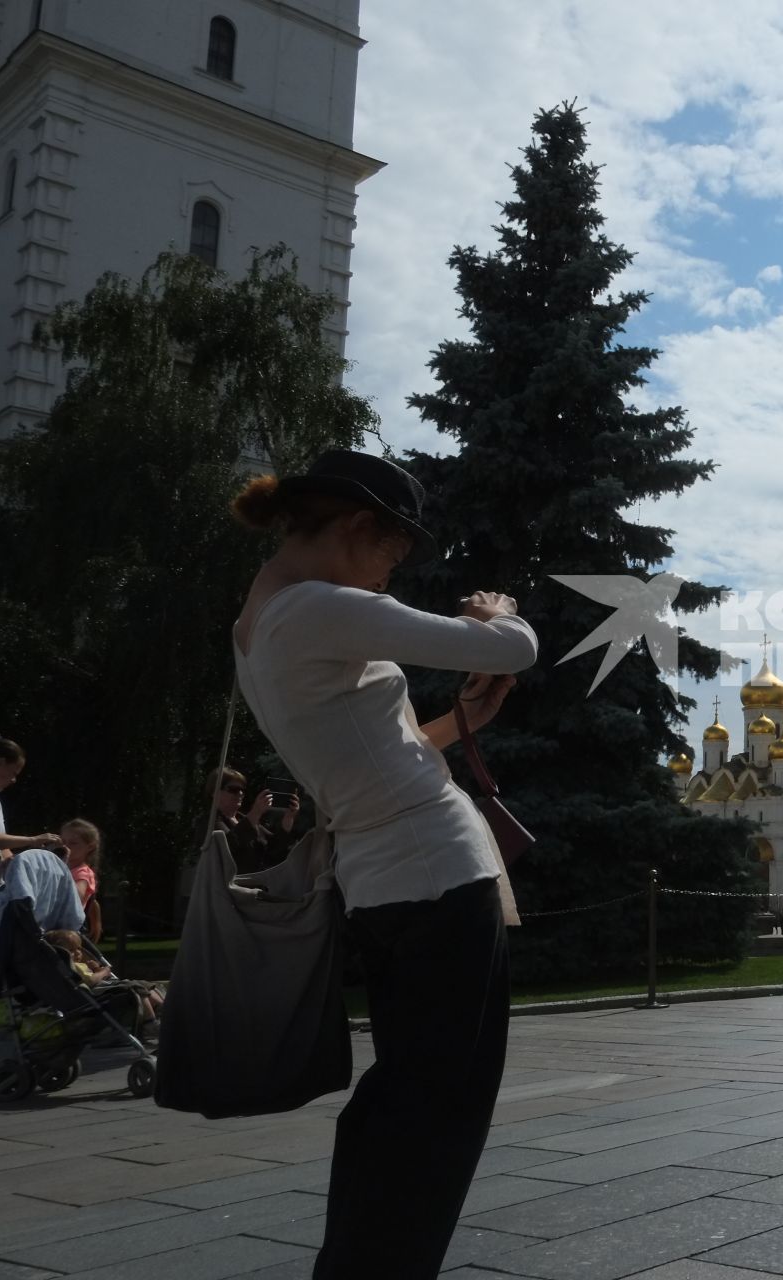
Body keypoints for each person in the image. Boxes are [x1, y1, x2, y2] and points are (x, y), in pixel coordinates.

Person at [230, 449, 538, 1276]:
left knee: (402, 1099)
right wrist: (495, 612)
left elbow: (371, 754)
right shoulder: (318, 606)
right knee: (439, 1113)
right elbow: (517, 647)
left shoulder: (257, 622)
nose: (384, 581)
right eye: (391, 559)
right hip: (437, 874)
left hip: (384, 880)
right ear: (359, 528)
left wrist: (462, 717)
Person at [0, 733, 65, 1092]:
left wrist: (25, 872)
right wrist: (33, 841)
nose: (14, 780)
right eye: (12, 772)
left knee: (1, 970)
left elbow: (3, 851)